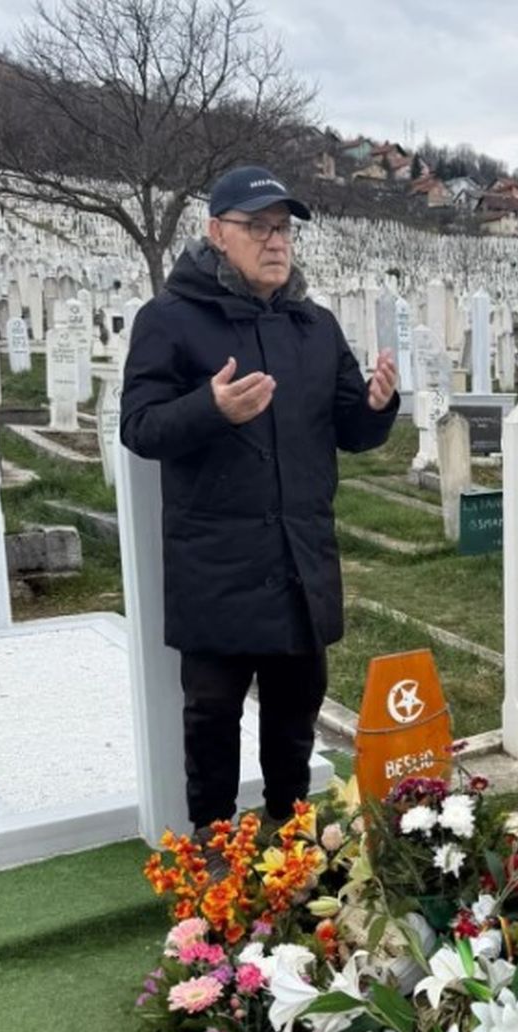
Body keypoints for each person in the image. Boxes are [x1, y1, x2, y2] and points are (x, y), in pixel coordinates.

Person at [120, 164, 398, 858]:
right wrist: (208, 408)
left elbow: (351, 432)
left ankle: (293, 836)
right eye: (259, 227)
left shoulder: (315, 326)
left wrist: (377, 404)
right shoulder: (171, 322)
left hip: (300, 560)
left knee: (296, 711)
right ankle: (213, 851)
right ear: (217, 233)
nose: (277, 242)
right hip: (216, 563)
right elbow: (141, 426)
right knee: (212, 716)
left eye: (284, 229)